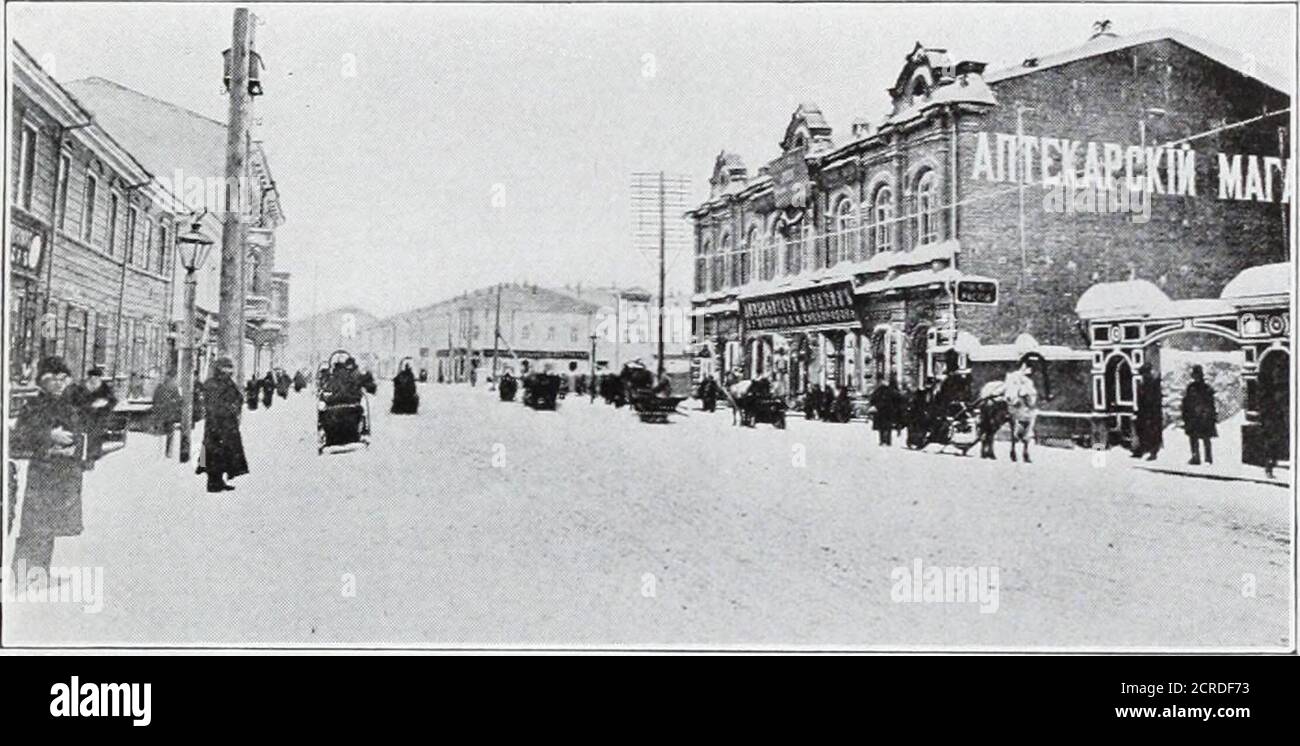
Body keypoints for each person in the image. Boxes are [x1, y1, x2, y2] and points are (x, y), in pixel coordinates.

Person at [9, 356, 87, 581]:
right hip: (43, 474)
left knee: (51, 526)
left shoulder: (71, 406)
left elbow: (82, 434)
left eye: (63, 378)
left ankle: (41, 572)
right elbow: (18, 439)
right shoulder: (33, 406)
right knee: (35, 524)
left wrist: (76, 449)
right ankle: (22, 575)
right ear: (42, 381)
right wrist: (49, 436)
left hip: (64, 475)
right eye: (53, 379)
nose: (59, 383)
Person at [199, 357, 248, 493]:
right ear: (219, 368)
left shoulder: (227, 383)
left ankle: (219, 481)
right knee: (214, 455)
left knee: (224, 455)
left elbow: (238, 397)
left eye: (230, 367)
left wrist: (235, 405)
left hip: (227, 425)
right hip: (216, 426)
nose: (229, 370)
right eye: (226, 367)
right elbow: (213, 406)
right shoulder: (212, 384)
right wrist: (229, 408)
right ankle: (213, 484)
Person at [69, 365, 117, 461]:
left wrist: (104, 404)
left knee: (96, 436)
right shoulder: (80, 388)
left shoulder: (104, 388)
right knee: (80, 436)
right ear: (89, 378)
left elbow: (113, 401)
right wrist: (88, 406)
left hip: (99, 417)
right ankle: (79, 455)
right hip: (82, 416)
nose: (94, 380)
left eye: (97, 377)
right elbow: (74, 402)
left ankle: (94, 455)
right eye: (92, 377)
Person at [1001, 357, 1040, 463]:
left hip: (1027, 408)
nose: (1030, 370)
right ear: (1023, 366)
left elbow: (1032, 395)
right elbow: (1009, 393)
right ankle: (1013, 451)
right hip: (1016, 407)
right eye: (1028, 367)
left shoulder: (1028, 381)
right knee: (1016, 429)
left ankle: (1025, 453)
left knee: (1028, 430)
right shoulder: (1013, 377)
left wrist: (1029, 397)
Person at [1181, 364, 1217, 466]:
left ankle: (1208, 458)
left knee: (1206, 439)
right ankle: (1195, 457)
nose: (1196, 378)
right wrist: (1185, 415)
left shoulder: (1206, 388)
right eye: (1195, 376)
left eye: (1198, 376)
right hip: (1192, 417)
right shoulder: (1190, 388)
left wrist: (1209, 415)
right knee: (1193, 438)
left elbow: (1210, 404)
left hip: (1203, 417)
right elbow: (1186, 402)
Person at [1131, 363, 1163, 461]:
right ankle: (1141, 450)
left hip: (1152, 413)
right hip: (1143, 413)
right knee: (1142, 431)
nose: (1144, 376)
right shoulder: (1142, 385)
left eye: (1145, 373)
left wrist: (1153, 413)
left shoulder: (1153, 384)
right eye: (1143, 374)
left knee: (1153, 433)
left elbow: (1155, 400)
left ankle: (1153, 452)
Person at [151, 370, 183, 458]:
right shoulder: (166, 387)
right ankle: (165, 453)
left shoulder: (164, 387)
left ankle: (164, 453)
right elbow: (155, 400)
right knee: (167, 433)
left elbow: (154, 400)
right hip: (166, 413)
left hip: (164, 413)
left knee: (165, 433)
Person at [869, 376, 903, 446]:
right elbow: (898, 399)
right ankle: (886, 441)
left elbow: (873, 398)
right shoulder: (889, 390)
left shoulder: (880, 390)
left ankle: (884, 441)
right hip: (887, 411)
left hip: (884, 411)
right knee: (886, 427)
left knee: (884, 427)